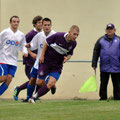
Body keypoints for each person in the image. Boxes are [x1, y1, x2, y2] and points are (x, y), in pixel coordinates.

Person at [29, 25, 79, 103]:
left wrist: (67, 58)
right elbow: (46, 42)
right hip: (46, 62)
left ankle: (33, 97)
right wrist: (42, 55)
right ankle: (52, 86)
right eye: (74, 34)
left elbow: (69, 54)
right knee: (39, 82)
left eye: (77, 35)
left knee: (50, 83)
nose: (75, 36)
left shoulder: (74, 44)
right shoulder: (58, 36)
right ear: (69, 32)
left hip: (57, 65)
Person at [23, 17, 56, 102]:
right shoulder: (39, 35)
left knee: (40, 82)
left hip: (49, 64)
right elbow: (33, 45)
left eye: (48, 25)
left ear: (51, 25)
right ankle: (28, 98)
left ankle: (50, 86)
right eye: (45, 25)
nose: (46, 27)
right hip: (38, 62)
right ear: (42, 25)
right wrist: (28, 46)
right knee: (32, 80)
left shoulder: (55, 35)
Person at [13, 16, 43, 101]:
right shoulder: (31, 34)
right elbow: (23, 45)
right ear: (35, 24)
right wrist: (30, 53)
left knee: (38, 80)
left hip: (37, 61)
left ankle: (34, 97)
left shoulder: (42, 35)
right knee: (33, 80)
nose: (41, 24)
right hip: (30, 61)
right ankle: (18, 89)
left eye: (42, 22)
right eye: (39, 22)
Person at [0, 16, 28, 96]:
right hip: (3, 59)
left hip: (13, 61)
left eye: (17, 22)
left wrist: (24, 52)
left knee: (9, 79)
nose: (16, 23)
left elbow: (23, 45)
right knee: (3, 78)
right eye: (14, 21)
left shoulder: (21, 35)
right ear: (10, 22)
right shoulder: (5, 32)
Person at [92, 23, 120, 100]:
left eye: (111, 29)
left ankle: (117, 98)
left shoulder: (118, 40)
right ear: (105, 30)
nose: (109, 30)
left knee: (117, 84)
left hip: (116, 66)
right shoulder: (100, 40)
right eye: (108, 29)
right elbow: (96, 51)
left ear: (114, 30)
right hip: (105, 66)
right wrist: (94, 63)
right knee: (103, 83)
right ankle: (103, 97)